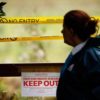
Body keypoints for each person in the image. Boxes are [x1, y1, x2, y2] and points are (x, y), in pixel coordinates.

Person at [56, 10, 100, 100]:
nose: (62, 31)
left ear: (72, 31)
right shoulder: (79, 52)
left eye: (64, 28)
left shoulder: (90, 55)